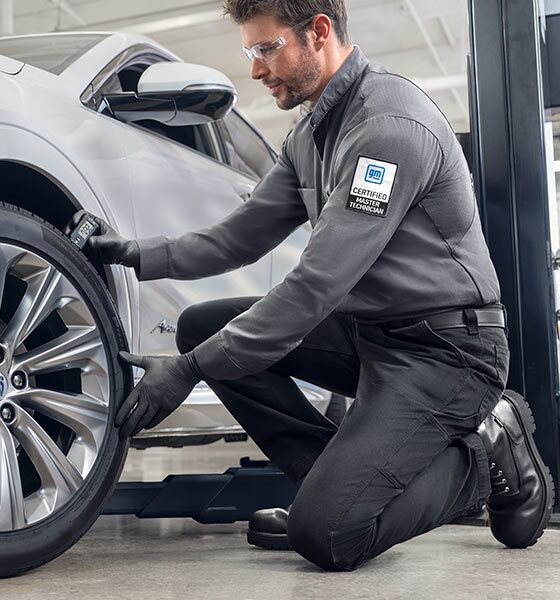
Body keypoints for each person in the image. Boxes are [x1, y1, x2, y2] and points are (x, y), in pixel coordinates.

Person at [67, 0, 554, 571]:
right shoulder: (311, 135)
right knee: (204, 327)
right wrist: (135, 254)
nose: (254, 69)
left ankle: (488, 440)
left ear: (319, 33)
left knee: (330, 537)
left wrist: (191, 369)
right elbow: (236, 240)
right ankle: (332, 487)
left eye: (266, 48)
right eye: (251, 51)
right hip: (370, 334)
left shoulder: (387, 128)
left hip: (446, 352)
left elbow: (315, 285)